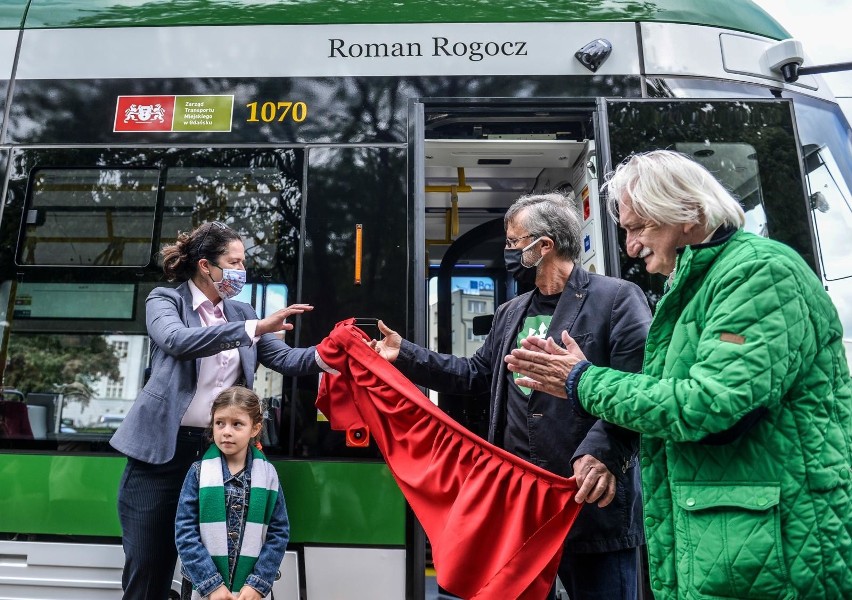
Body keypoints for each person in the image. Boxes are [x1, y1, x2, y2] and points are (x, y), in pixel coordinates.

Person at [506, 150, 852, 598]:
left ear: (688, 213)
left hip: (774, 554)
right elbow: (662, 399)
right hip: (734, 545)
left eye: (638, 227)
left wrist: (580, 380)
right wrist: (606, 444)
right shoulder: (690, 289)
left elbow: (709, 406)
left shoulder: (760, 273)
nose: (630, 246)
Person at [373, 193, 652, 599]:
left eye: (513, 241)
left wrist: (602, 453)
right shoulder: (510, 312)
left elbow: (636, 386)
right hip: (521, 506)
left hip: (588, 501)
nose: (507, 250)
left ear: (544, 246)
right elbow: (475, 375)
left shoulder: (616, 298)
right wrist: (406, 354)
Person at [110, 221, 325, 600]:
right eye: (235, 262)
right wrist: (252, 327)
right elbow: (177, 340)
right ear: (206, 266)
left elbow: (288, 359)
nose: (242, 271)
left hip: (220, 455)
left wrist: (340, 352)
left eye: (244, 263)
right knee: (148, 566)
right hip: (161, 455)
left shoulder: (241, 310)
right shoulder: (165, 301)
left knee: (218, 570)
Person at [175, 386, 288, 600]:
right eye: (220, 423)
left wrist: (258, 583)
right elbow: (185, 532)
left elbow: (279, 532)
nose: (226, 431)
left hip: (250, 590)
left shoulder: (268, 475)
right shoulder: (198, 473)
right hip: (203, 589)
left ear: (255, 428)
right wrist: (212, 585)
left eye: (237, 424)